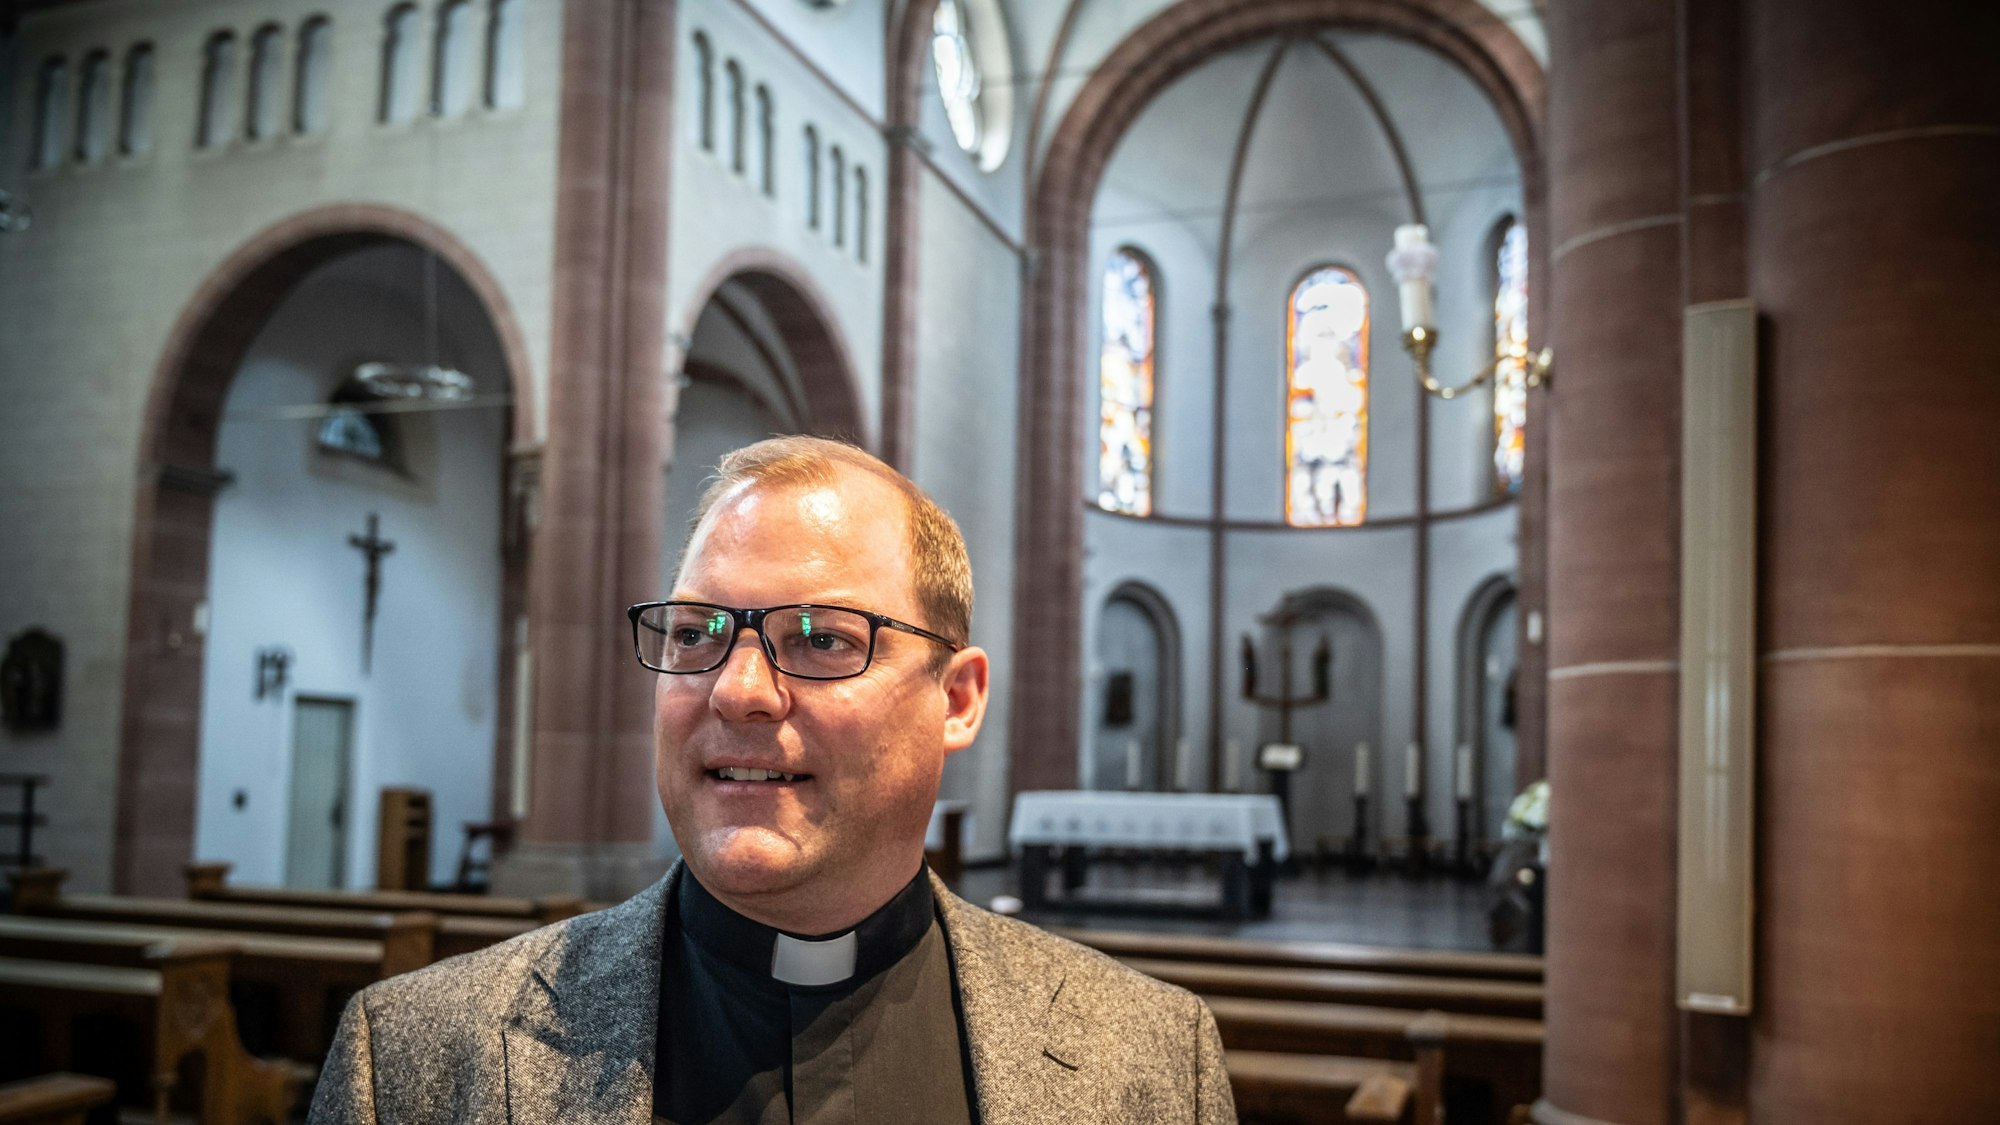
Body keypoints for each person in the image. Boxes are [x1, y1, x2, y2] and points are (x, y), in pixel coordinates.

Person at [308, 436, 1236, 1124]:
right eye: (695, 634)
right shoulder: (413, 1061)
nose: (740, 689)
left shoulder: (1154, 1067)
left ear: (956, 698)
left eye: (822, 638)